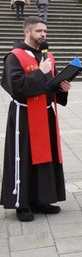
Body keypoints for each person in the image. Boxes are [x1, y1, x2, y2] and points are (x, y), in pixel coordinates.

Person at [1, 16, 71, 222]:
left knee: (44, 157)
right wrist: (40, 72)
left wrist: (62, 89)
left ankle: (42, 199)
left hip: (45, 112)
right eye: (39, 31)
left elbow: (51, 85)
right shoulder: (14, 57)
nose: (43, 35)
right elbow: (16, 87)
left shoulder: (47, 56)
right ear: (27, 32)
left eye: (45, 32)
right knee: (23, 157)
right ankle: (21, 204)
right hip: (24, 115)